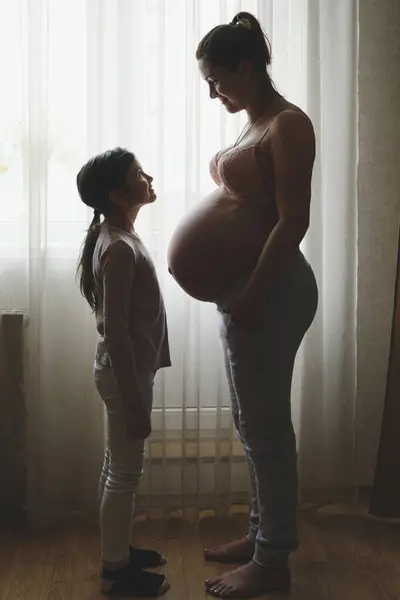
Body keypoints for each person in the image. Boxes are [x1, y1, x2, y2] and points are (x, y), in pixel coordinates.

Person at [168, 12, 318, 598]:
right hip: (248, 291)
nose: (212, 92)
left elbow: (293, 221)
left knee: (267, 430)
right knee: (252, 425)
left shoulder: (288, 125)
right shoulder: (254, 122)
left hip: (272, 289)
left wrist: (253, 292)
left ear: (248, 68)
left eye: (217, 79)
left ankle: (272, 562)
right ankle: (262, 536)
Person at [77, 148, 171, 597]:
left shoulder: (120, 236)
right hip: (123, 375)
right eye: (138, 174)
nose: (148, 176)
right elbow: (115, 330)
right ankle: (115, 572)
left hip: (123, 372)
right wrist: (135, 401)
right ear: (117, 194)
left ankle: (117, 550)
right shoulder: (116, 247)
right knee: (125, 473)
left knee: (117, 465)